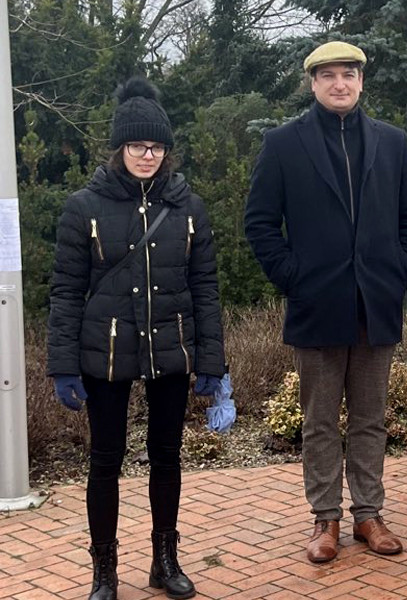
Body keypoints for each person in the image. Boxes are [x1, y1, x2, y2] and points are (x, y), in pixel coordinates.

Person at [244, 41, 407, 564]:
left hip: (376, 305)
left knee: (371, 419)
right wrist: (294, 278)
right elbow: (260, 224)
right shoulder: (283, 144)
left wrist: (398, 272)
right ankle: (325, 518)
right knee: (320, 421)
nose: (339, 84)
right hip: (316, 306)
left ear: (360, 81)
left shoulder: (392, 142)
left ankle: (369, 515)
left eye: (348, 74)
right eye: (328, 75)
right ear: (313, 83)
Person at [47, 77, 225, 600]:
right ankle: (104, 569)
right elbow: (65, 291)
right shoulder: (83, 207)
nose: (147, 155)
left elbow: (205, 288)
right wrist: (63, 365)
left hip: (171, 346)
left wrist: (211, 360)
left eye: (156, 147)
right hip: (105, 352)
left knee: (167, 456)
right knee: (105, 460)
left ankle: (165, 559)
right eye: (137, 145)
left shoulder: (188, 207)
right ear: (119, 148)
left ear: (167, 151)